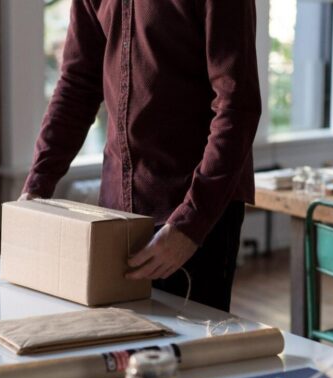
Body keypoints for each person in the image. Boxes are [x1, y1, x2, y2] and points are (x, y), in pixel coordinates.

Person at [20, 0, 261, 312]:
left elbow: (237, 106)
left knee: (189, 356)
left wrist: (190, 224)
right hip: (116, 215)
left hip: (195, 214)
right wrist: (35, 188)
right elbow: (77, 85)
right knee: (118, 351)